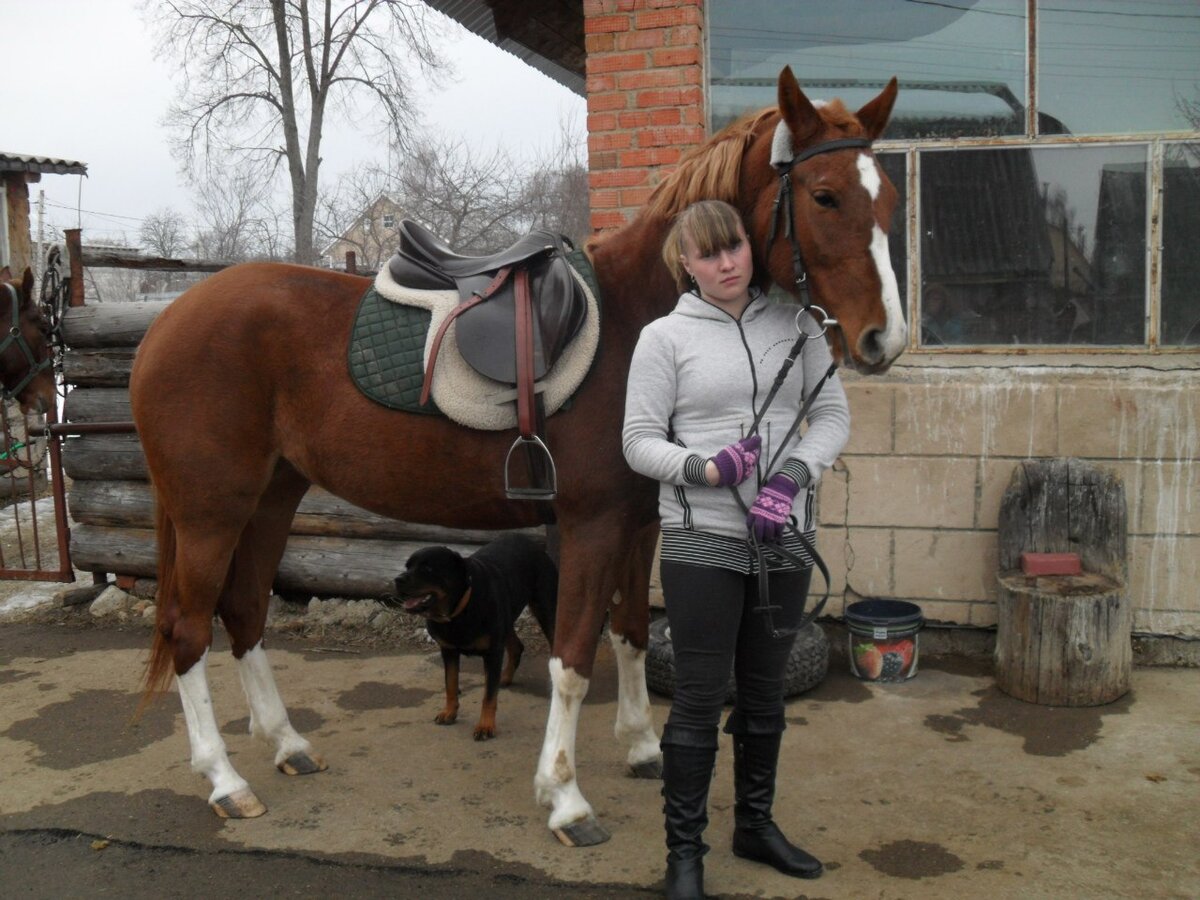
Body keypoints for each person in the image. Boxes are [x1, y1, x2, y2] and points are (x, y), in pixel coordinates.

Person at [622, 200, 850, 899]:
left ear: (752, 249)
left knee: (764, 692)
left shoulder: (796, 322)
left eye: (736, 248)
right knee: (696, 699)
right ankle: (683, 855)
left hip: (784, 532)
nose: (727, 263)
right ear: (684, 264)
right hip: (701, 539)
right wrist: (706, 467)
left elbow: (833, 415)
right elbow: (637, 442)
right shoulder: (663, 339)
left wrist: (790, 476)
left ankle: (754, 824)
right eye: (709, 254)